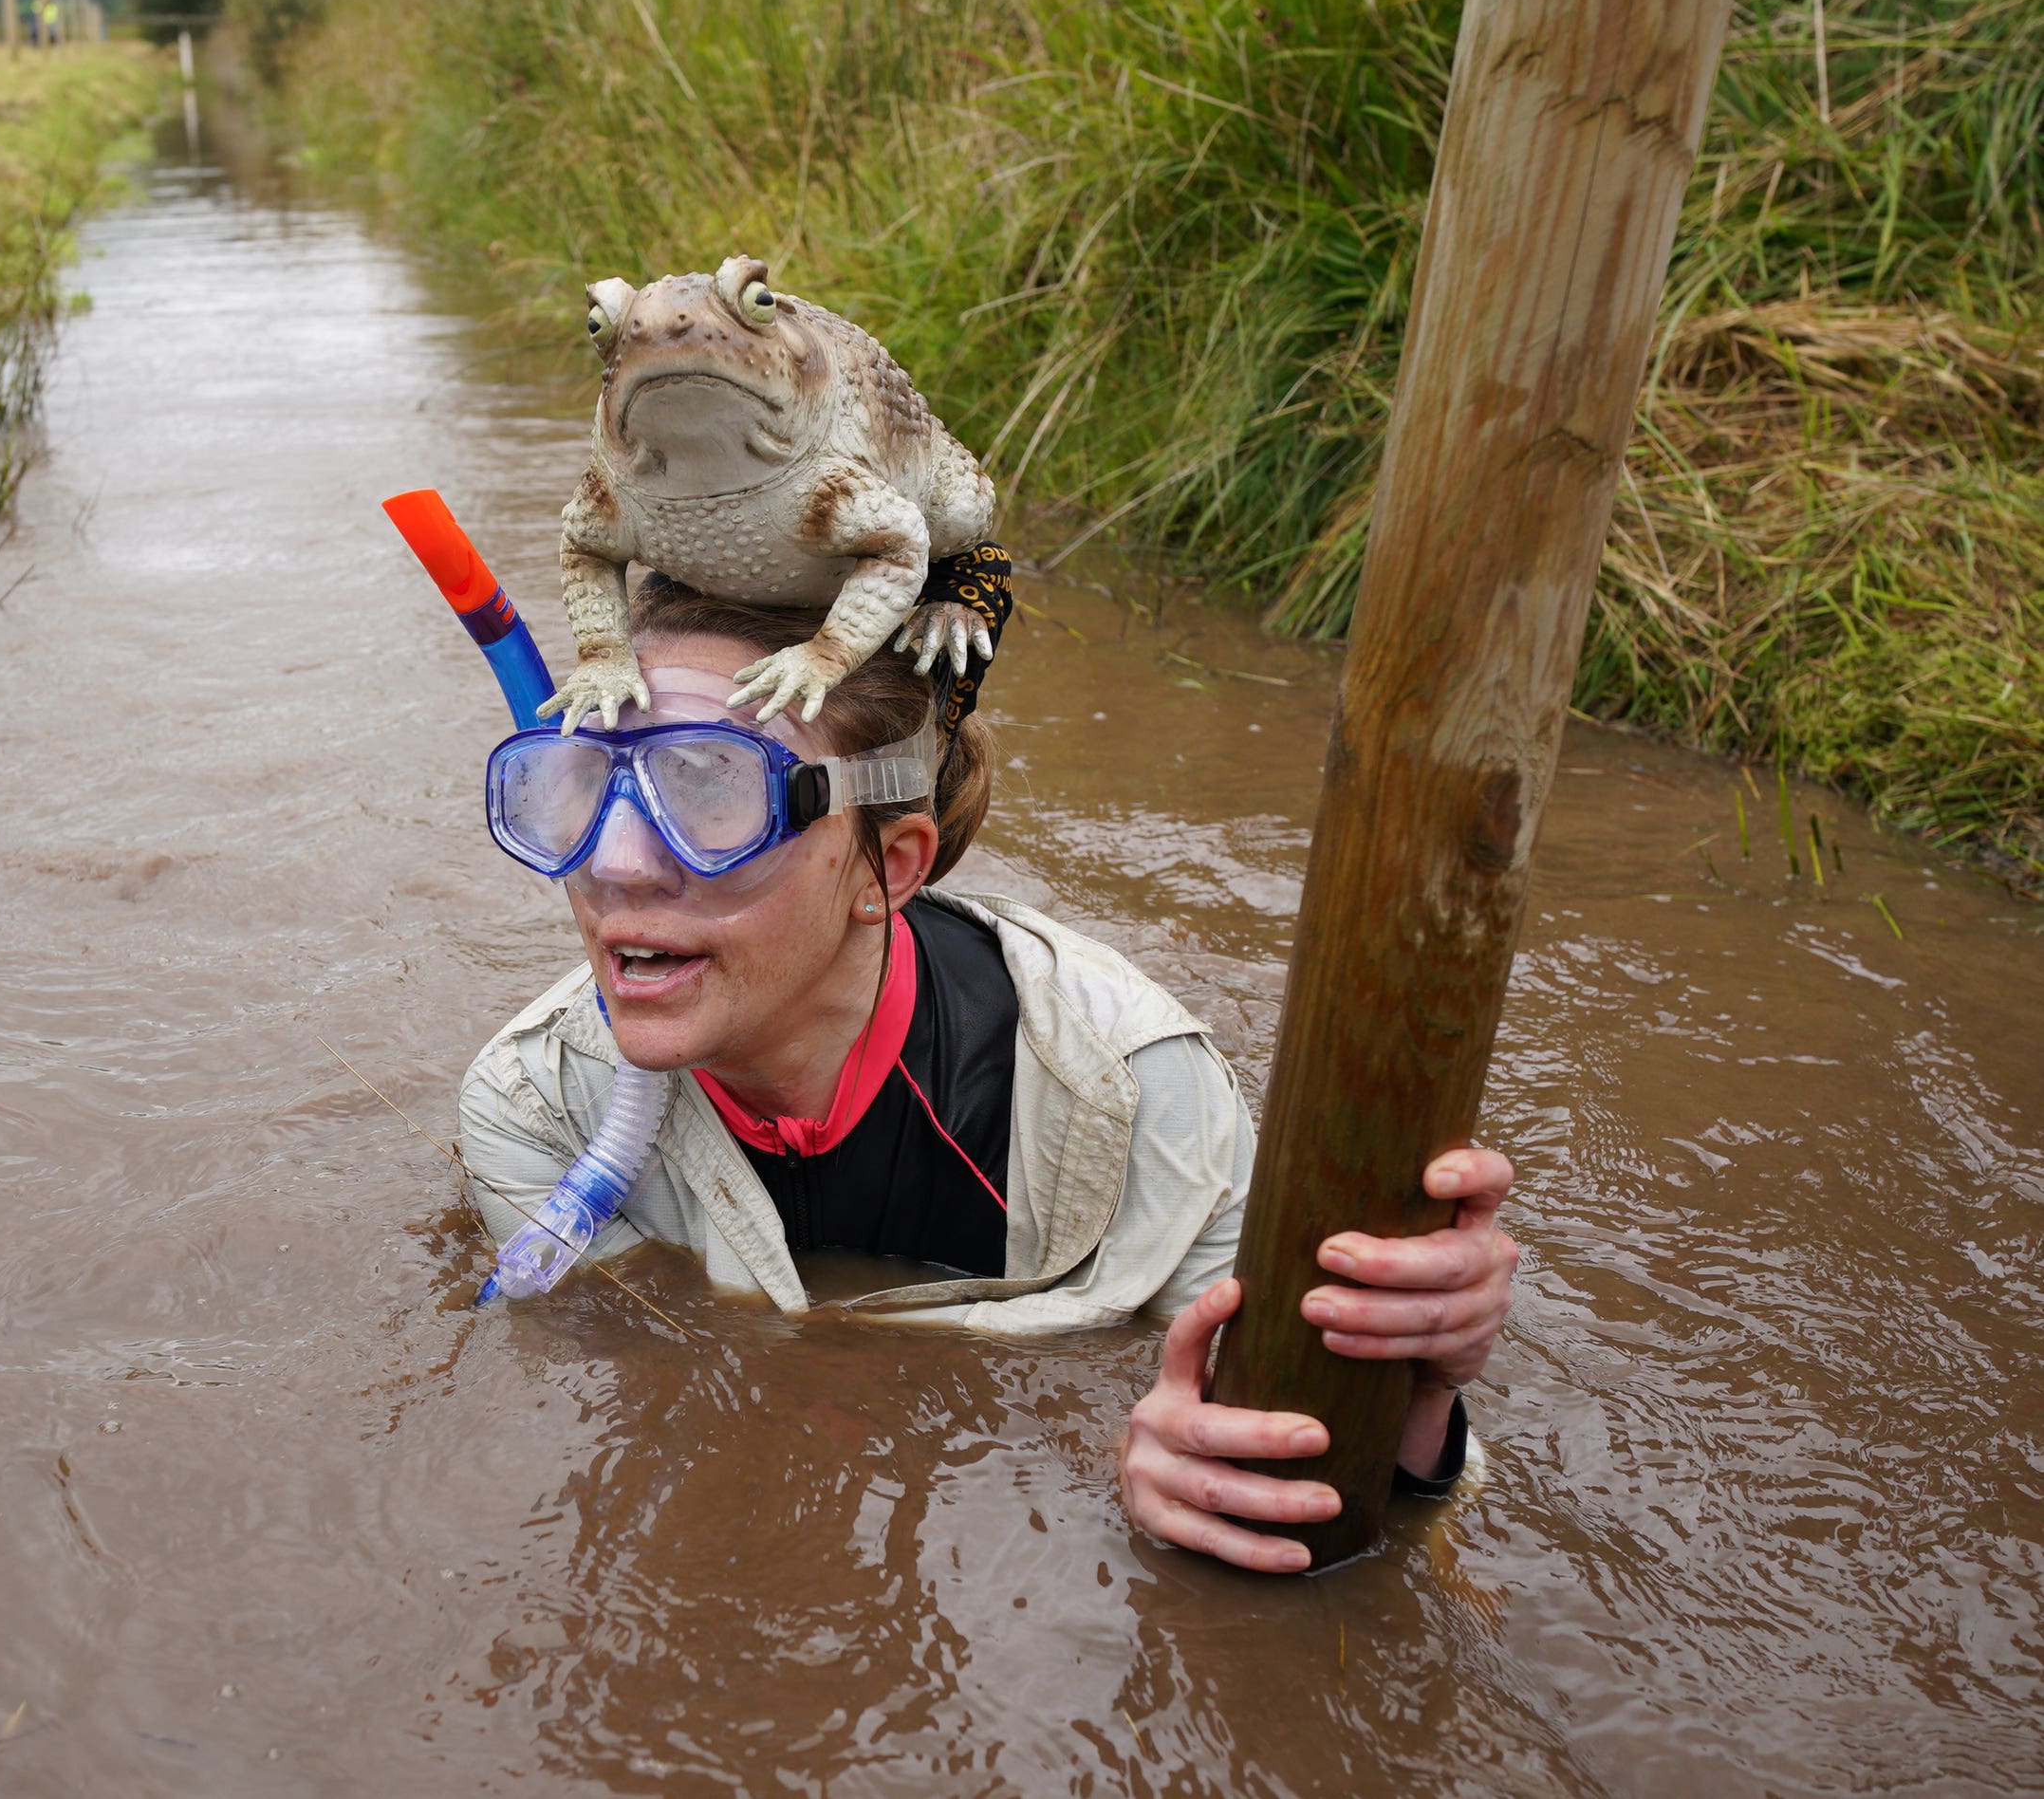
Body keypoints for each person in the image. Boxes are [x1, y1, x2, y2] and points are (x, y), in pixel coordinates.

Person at [458, 575, 1520, 1573]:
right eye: (587, 782)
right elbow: (658, 1404)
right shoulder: (537, 1108)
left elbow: (1322, 1475)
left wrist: (1409, 1392)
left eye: (712, 792)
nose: (618, 862)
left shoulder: (1135, 1090)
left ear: (894, 868)